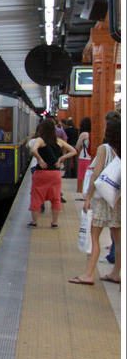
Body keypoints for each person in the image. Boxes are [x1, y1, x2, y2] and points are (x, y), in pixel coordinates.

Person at [68, 117, 120, 286]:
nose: (103, 129)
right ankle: (115, 273)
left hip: (102, 198)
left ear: (110, 133)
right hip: (117, 199)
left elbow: (96, 174)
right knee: (118, 239)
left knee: (94, 236)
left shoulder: (104, 149)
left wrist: (88, 197)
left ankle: (88, 274)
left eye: (106, 127)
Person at [28, 118, 76, 228]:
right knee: (56, 198)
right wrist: (61, 158)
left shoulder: (40, 140)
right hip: (55, 174)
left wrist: (40, 160)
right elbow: (74, 151)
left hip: (41, 173)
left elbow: (33, 150)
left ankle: (34, 222)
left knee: (36, 197)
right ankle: (54, 223)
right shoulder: (59, 141)